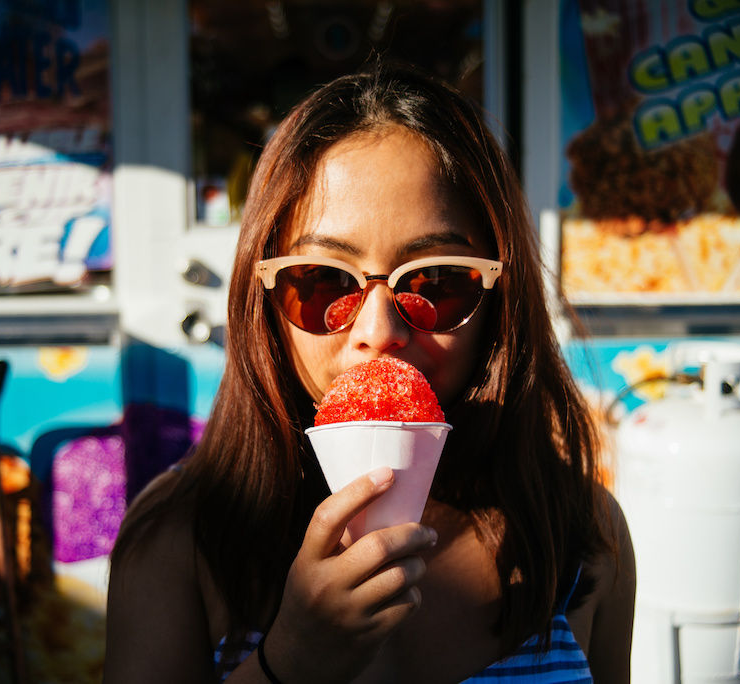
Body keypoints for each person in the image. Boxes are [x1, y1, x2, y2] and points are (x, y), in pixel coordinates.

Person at [104, 63, 635, 684]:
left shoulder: (582, 533)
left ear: (501, 299)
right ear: (264, 303)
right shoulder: (178, 539)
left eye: (437, 280)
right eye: (323, 280)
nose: (378, 331)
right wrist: (291, 663)